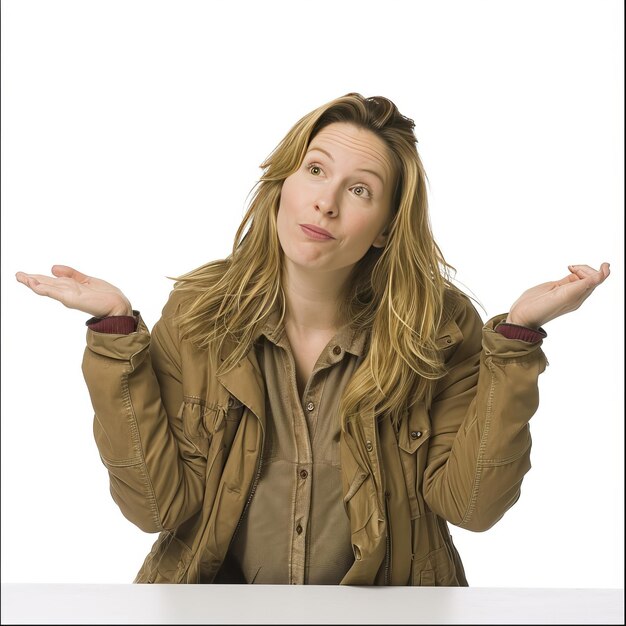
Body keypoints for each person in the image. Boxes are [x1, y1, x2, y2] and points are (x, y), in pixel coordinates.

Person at [15, 93, 610, 586]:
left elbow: (473, 506)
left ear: (383, 230)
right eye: (316, 170)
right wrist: (115, 332)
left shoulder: (437, 328)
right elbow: (155, 507)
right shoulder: (199, 315)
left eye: (360, 190)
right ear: (282, 184)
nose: (325, 202)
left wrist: (518, 339)